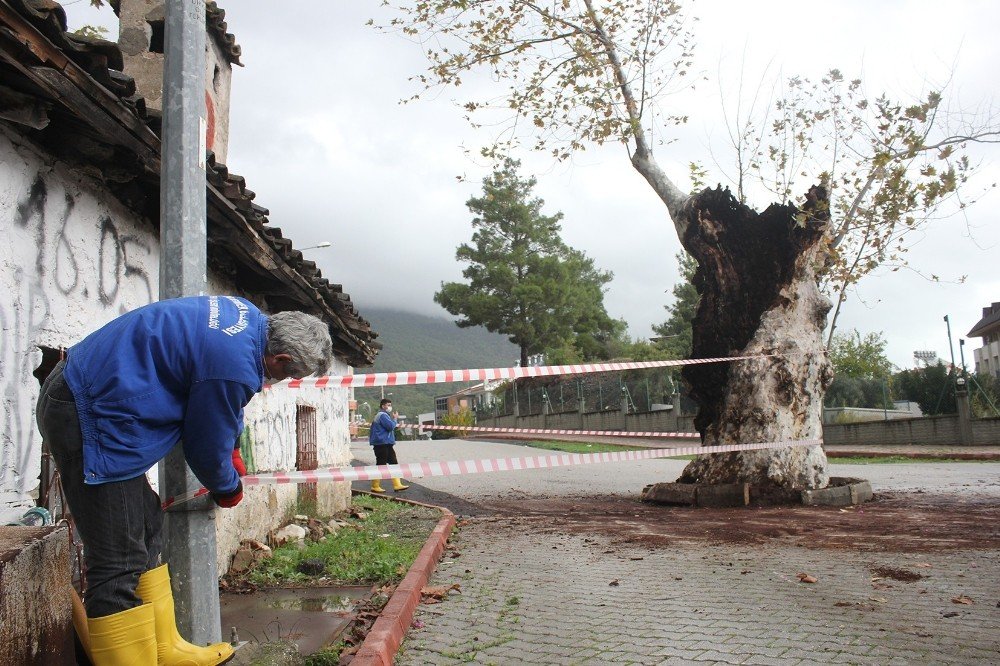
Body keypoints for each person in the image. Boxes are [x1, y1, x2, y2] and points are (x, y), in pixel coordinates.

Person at [36, 295, 333, 666]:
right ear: (281, 360)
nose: (278, 380)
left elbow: (220, 404)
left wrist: (232, 449)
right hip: (87, 413)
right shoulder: (235, 364)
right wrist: (228, 487)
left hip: (94, 400)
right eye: (288, 375)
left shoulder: (247, 321)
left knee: (147, 524)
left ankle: (165, 649)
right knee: (118, 560)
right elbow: (205, 447)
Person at [367, 398, 409, 493]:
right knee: (381, 464)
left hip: (386, 443)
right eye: (388, 405)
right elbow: (390, 426)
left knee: (393, 462)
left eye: (390, 404)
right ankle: (375, 485)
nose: (390, 407)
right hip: (382, 444)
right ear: (383, 406)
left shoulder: (383, 415)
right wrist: (395, 418)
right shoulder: (382, 415)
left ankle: (397, 484)